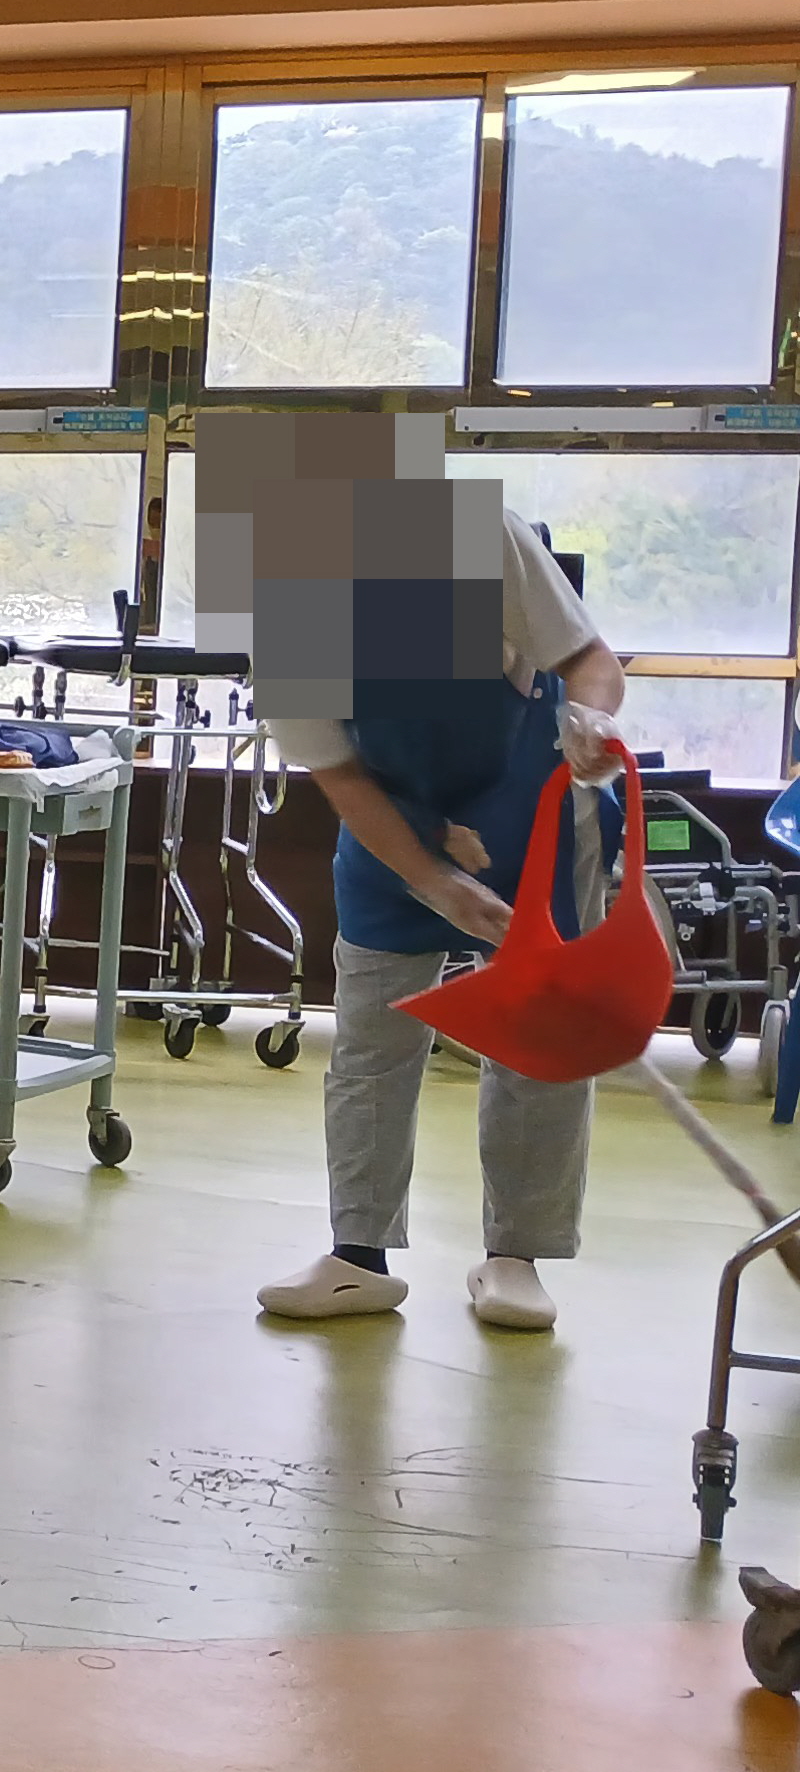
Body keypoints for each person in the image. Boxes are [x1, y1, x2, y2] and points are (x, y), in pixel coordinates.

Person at [254, 498, 630, 1333]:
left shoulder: (481, 534)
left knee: (539, 1030)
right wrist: (432, 877)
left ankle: (515, 1255)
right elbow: (341, 777)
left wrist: (594, 720)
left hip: (530, 798)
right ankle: (358, 1258)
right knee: (372, 1034)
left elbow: (588, 659)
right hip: (394, 816)